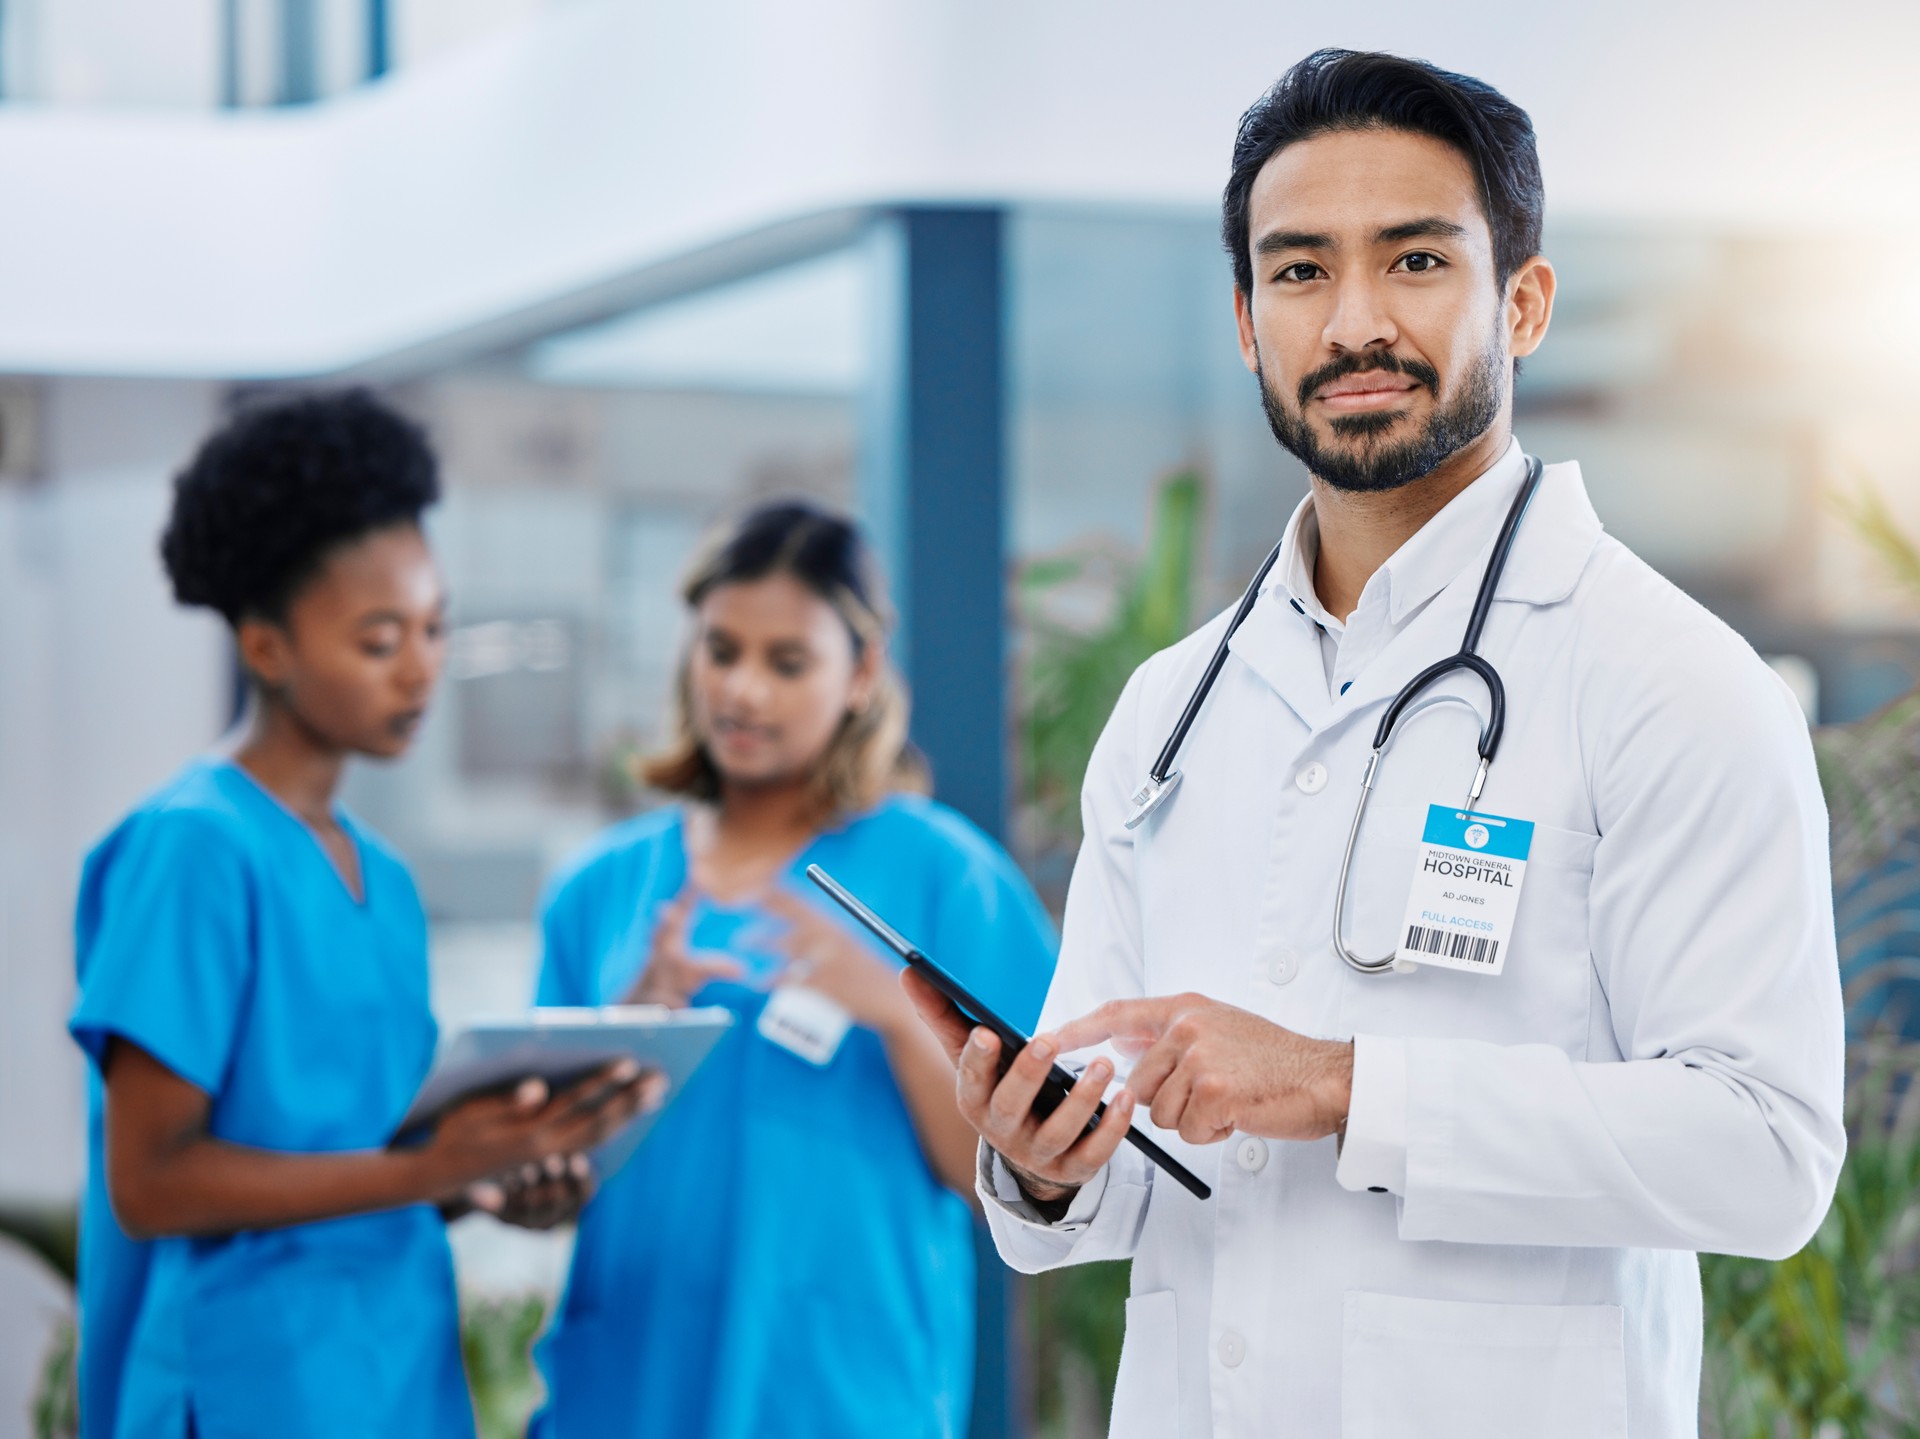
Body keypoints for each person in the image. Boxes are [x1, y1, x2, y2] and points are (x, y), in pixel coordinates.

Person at [907, 49, 1847, 1439]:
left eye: (1413, 261)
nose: (1353, 322)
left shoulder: (1670, 682)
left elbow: (1768, 1156)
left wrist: (1344, 1085)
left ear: (1521, 300)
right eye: (1297, 272)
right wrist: (1045, 1165)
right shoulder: (1171, 707)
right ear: (1243, 321)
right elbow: (1109, 1185)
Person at [68, 390, 655, 1439]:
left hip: (390, 1377)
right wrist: (433, 1166)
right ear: (265, 646)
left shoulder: (378, 878)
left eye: (434, 628)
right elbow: (152, 1181)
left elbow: (362, 1157)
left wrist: (483, 1182)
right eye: (380, 639)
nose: (422, 667)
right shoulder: (194, 846)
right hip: (240, 1387)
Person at [529, 500, 1056, 1439]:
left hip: (842, 1395)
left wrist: (890, 1012)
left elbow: (1011, 1177)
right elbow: (542, 1168)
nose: (744, 691)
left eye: (787, 662)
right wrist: (634, 1019)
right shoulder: (603, 890)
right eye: (721, 650)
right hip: (629, 1390)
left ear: (859, 675)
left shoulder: (945, 875)